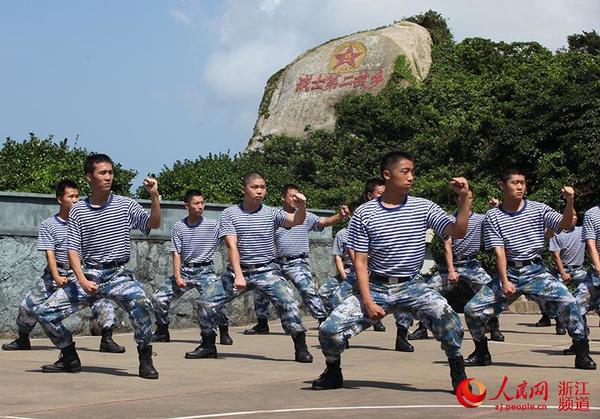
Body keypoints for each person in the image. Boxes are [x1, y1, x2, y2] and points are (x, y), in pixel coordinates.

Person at [312, 151, 471, 393]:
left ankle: (458, 373)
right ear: (387, 175)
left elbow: (457, 232)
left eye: (412, 172)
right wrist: (367, 301)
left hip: (412, 285)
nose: (411, 177)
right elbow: (361, 263)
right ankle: (333, 371)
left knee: (450, 320)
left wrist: (463, 200)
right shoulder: (364, 214)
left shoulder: (424, 207)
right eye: (405, 171)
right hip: (377, 286)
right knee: (329, 331)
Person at [35, 154, 161, 379]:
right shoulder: (78, 211)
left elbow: (153, 223)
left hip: (118, 274)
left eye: (111, 172)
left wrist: (154, 197)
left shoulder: (126, 205)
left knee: (142, 304)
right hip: (90, 273)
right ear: (89, 177)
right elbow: (72, 249)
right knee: (45, 312)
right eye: (102, 173)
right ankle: (69, 356)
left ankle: (145, 358)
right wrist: (82, 280)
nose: (108, 177)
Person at [463, 169, 595, 370]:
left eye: (523, 183)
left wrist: (570, 202)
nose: (520, 187)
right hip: (510, 273)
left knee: (569, 302)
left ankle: (582, 352)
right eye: (515, 182)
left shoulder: (538, 209)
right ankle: (481, 351)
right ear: (502, 186)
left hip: (536, 271)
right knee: (472, 309)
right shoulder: (493, 216)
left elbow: (565, 224)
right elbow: (499, 252)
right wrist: (505, 281)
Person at [188, 173, 313, 362]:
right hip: (240, 271)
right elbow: (232, 245)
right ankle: (207, 344)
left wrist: (302, 206)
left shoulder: (272, 213)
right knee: (205, 303)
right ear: (244, 190)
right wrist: (238, 276)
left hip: (267, 270)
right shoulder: (230, 214)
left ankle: (301, 347)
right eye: (255, 187)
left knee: (289, 302)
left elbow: (296, 221)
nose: (260, 191)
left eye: (263, 187)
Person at [2, 180, 124, 354]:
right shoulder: (49, 225)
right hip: (54, 274)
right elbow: (49, 254)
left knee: (102, 302)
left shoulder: (87, 222)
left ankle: (107, 339)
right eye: (70, 196)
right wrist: (57, 277)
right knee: (28, 305)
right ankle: (22, 338)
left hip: (81, 274)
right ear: (60, 199)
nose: (75, 200)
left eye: (77, 196)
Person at [244, 184, 349, 335]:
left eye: (298, 196)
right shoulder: (275, 216)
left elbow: (324, 222)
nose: (296, 199)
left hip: (297, 262)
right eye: (292, 196)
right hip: (275, 263)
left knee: (308, 290)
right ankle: (262, 323)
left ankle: (323, 321)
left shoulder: (305, 215)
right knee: (260, 290)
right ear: (283, 198)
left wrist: (340, 216)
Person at [408, 189, 505, 343]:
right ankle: (423, 327)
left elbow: (498, 217)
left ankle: (494, 327)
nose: (467, 201)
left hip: (472, 265)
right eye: (463, 198)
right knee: (427, 291)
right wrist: (451, 270)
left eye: (470, 198)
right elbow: (447, 246)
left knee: (491, 290)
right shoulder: (448, 220)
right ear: (456, 200)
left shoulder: (480, 219)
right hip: (452, 265)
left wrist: (497, 205)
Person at [150, 189, 232, 345]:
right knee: (158, 298)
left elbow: (230, 240)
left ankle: (224, 330)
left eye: (202, 203)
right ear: (186, 205)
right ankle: (162, 330)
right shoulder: (179, 227)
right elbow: (176, 253)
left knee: (217, 299)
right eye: (196, 203)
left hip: (206, 271)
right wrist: (178, 276)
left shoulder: (213, 225)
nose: (200, 206)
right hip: (185, 271)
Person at [534, 215, 586, 335]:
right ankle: (559, 323)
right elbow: (556, 256)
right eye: (571, 216)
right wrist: (563, 273)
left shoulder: (581, 231)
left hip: (579, 270)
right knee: (552, 295)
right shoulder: (556, 234)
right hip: (561, 271)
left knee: (594, 287)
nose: (574, 218)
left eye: (575, 216)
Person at [562, 205, 600, 355]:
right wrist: (598, 267)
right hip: (595, 274)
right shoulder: (592, 214)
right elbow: (590, 243)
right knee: (574, 306)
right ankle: (580, 342)